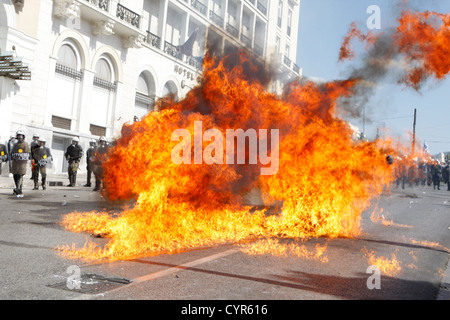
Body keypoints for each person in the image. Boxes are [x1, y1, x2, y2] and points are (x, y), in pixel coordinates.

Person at [10, 130, 31, 195]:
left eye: (21, 136)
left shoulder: (25, 144)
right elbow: (12, 153)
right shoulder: (15, 145)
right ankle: (17, 188)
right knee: (15, 175)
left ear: (23, 137)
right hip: (15, 163)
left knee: (20, 175)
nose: (20, 137)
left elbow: (28, 153)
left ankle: (19, 188)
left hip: (22, 163)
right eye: (18, 136)